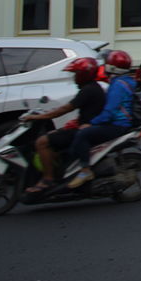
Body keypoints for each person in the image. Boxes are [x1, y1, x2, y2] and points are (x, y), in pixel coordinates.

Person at [23, 57, 106, 193]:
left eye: (76, 74)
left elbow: (66, 109)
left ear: (83, 75)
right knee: (51, 136)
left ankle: (48, 179)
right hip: (82, 127)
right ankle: (58, 170)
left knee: (41, 142)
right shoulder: (91, 88)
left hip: (85, 130)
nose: (74, 77)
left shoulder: (88, 90)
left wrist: (39, 117)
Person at [67, 50, 139, 188]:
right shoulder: (124, 81)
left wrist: (91, 123)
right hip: (119, 123)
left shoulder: (118, 85)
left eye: (107, 63)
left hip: (118, 125)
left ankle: (85, 170)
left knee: (82, 134)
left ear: (112, 67)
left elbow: (110, 111)